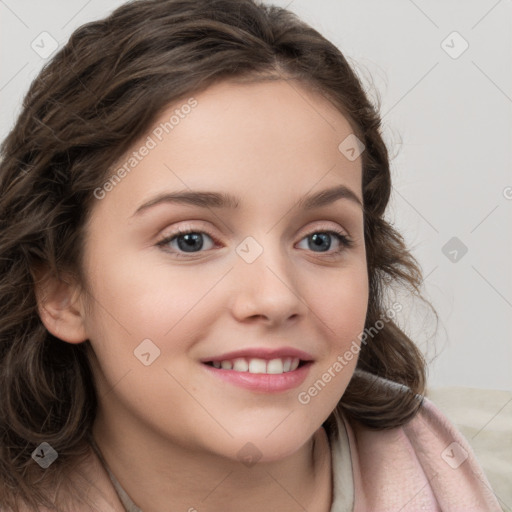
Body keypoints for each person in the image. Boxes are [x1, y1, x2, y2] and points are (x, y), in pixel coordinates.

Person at [0, 0, 502, 510]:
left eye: (321, 239)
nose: (275, 296)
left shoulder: (456, 471)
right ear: (63, 291)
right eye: (190, 239)